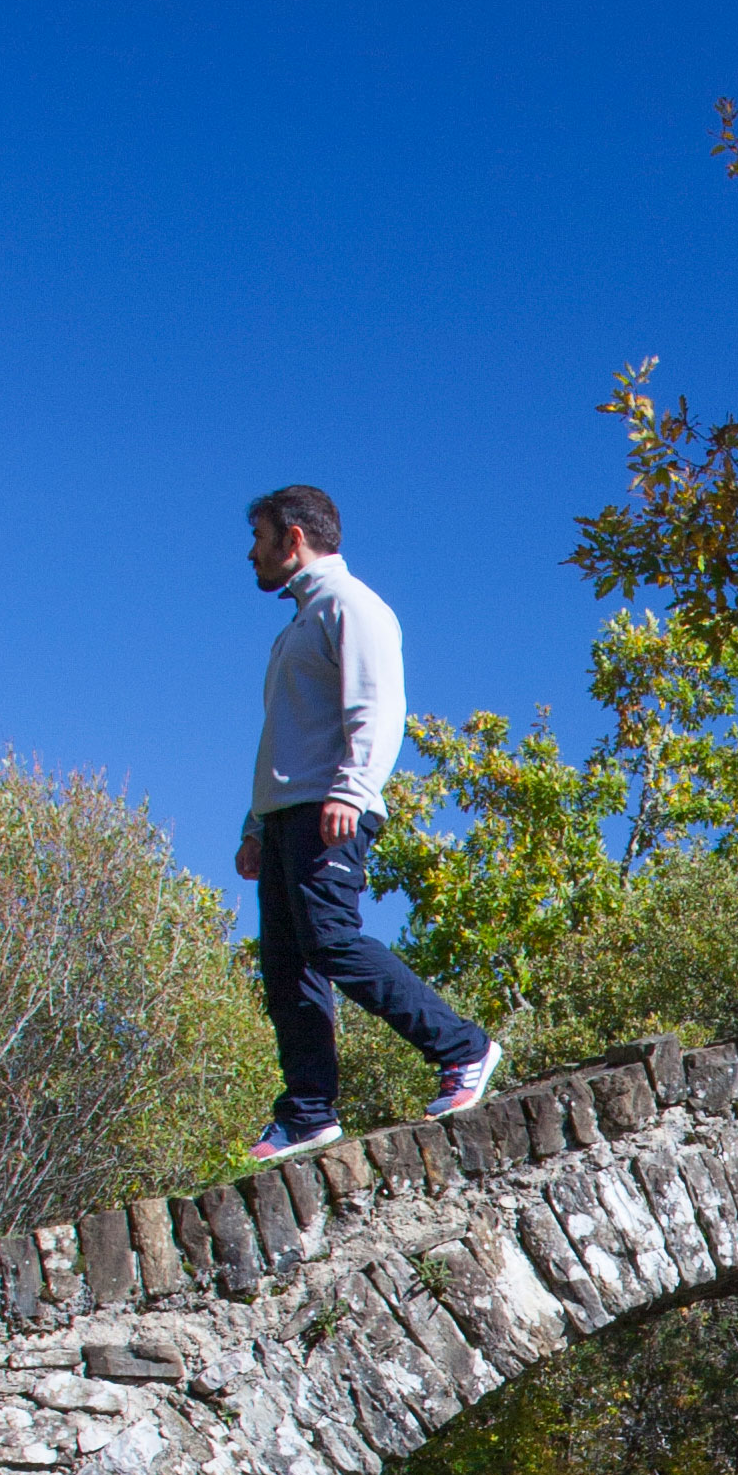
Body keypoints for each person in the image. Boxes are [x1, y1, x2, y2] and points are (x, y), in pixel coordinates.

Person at [234, 481, 498, 1151]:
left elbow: (377, 708)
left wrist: (352, 791)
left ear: (294, 537)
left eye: (259, 539)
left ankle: (463, 1048)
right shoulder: (296, 628)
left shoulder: (352, 606)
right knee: (286, 968)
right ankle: (308, 1111)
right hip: (287, 817)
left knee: (331, 941)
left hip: (330, 809)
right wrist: (256, 825)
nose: (251, 554)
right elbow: (284, 737)